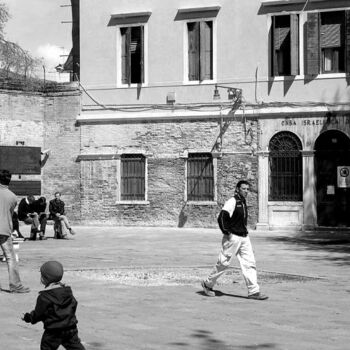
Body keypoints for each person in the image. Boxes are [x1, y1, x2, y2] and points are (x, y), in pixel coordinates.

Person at [201, 180, 268, 300]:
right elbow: (222, 217)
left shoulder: (243, 202)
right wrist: (227, 233)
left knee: (250, 263)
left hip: (244, 237)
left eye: (248, 189)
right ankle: (207, 284)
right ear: (237, 189)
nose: (246, 191)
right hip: (233, 238)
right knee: (223, 263)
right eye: (244, 189)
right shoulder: (232, 202)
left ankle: (254, 291)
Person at [22, 260, 85, 350]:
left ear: (44, 279)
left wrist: (28, 317)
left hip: (53, 331)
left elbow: (38, 314)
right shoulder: (67, 292)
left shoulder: (44, 297)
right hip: (70, 328)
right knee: (76, 347)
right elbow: (74, 304)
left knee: (46, 347)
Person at [0, 169, 30, 293]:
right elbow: (10, 214)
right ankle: (15, 286)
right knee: (10, 258)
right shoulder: (12, 197)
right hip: (4, 230)